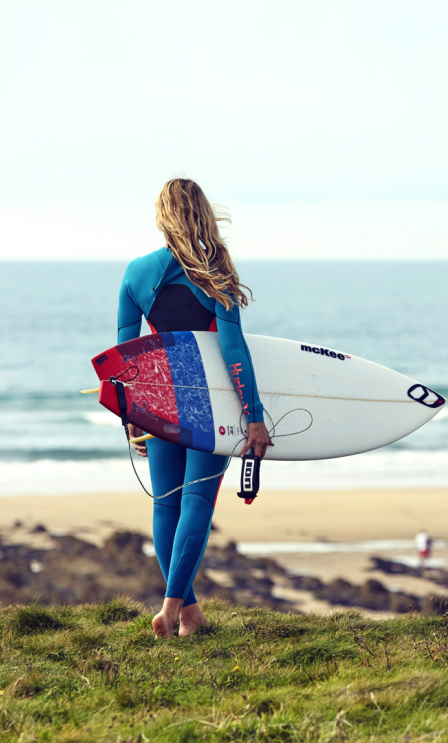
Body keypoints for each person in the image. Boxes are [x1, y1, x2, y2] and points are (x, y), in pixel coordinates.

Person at [117, 178, 273, 638]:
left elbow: (128, 354)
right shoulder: (215, 270)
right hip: (209, 399)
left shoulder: (136, 272)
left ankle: (188, 612)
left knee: (166, 506)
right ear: (202, 213)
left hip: (159, 397)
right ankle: (170, 610)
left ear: (162, 216)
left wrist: (132, 416)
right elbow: (233, 350)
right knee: (197, 502)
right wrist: (256, 415)